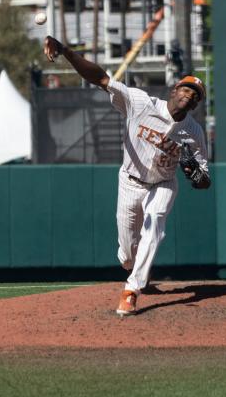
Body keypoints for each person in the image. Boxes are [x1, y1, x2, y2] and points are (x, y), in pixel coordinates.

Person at [43, 35, 211, 316]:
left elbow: (205, 180)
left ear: (195, 106)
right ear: (174, 90)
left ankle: (132, 290)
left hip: (163, 183)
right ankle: (131, 267)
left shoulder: (193, 132)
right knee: (126, 254)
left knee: (155, 223)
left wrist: (196, 176)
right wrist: (66, 52)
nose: (188, 95)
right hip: (130, 181)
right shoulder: (140, 102)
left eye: (194, 96)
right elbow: (101, 79)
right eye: (185, 90)